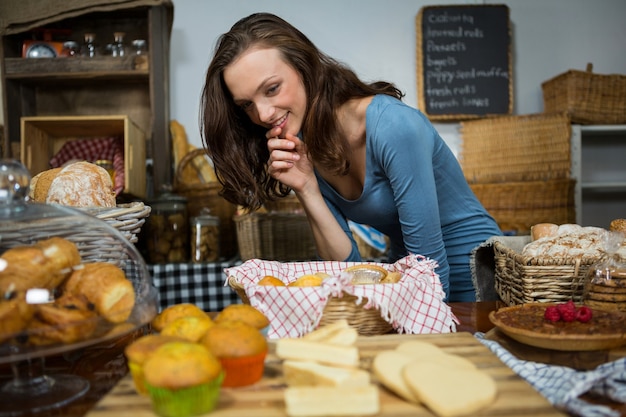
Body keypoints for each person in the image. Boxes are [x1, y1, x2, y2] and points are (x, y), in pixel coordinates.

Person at [200, 12, 502, 302]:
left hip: (478, 284)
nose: (263, 114)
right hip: (406, 284)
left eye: (272, 88)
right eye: (246, 105)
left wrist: (428, 326)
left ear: (304, 66)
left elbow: (430, 264)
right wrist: (306, 188)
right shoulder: (304, 143)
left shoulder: (393, 126)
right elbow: (344, 272)